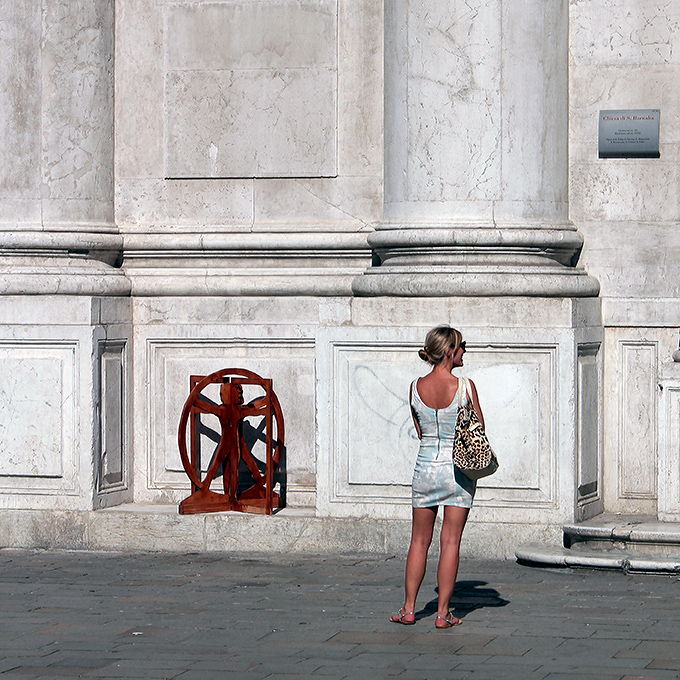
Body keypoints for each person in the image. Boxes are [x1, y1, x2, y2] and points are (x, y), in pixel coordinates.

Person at [390, 325, 484, 629]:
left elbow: (420, 432)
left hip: (426, 467)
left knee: (419, 540)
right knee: (451, 542)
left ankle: (409, 609)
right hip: (457, 471)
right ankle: (443, 614)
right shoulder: (466, 387)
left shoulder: (415, 386)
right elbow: (479, 429)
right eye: (460, 347)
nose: (463, 352)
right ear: (448, 352)